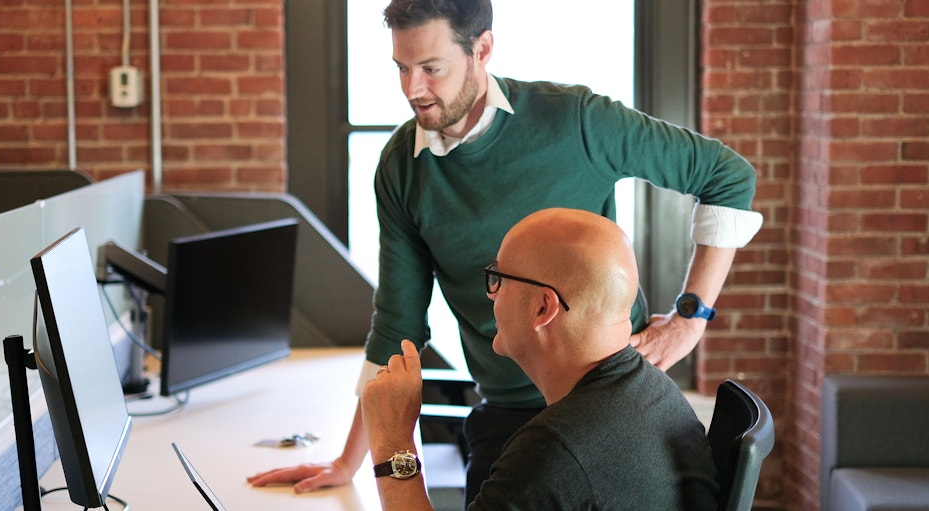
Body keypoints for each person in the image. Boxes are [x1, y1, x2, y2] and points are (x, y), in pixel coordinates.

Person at [248, 0, 761, 503]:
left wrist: (690, 319)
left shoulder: (578, 120)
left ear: (482, 49)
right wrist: (348, 461)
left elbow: (727, 177)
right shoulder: (403, 167)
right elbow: (397, 324)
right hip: (508, 411)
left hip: (607, 395)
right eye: (401, 68)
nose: (412, 89)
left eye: (431, 68)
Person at [361, 208, 719, 510]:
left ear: (543, 307)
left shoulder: (554, 451)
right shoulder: (654, 391)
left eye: (497, 279)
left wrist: (393, 441)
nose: (491, 296)